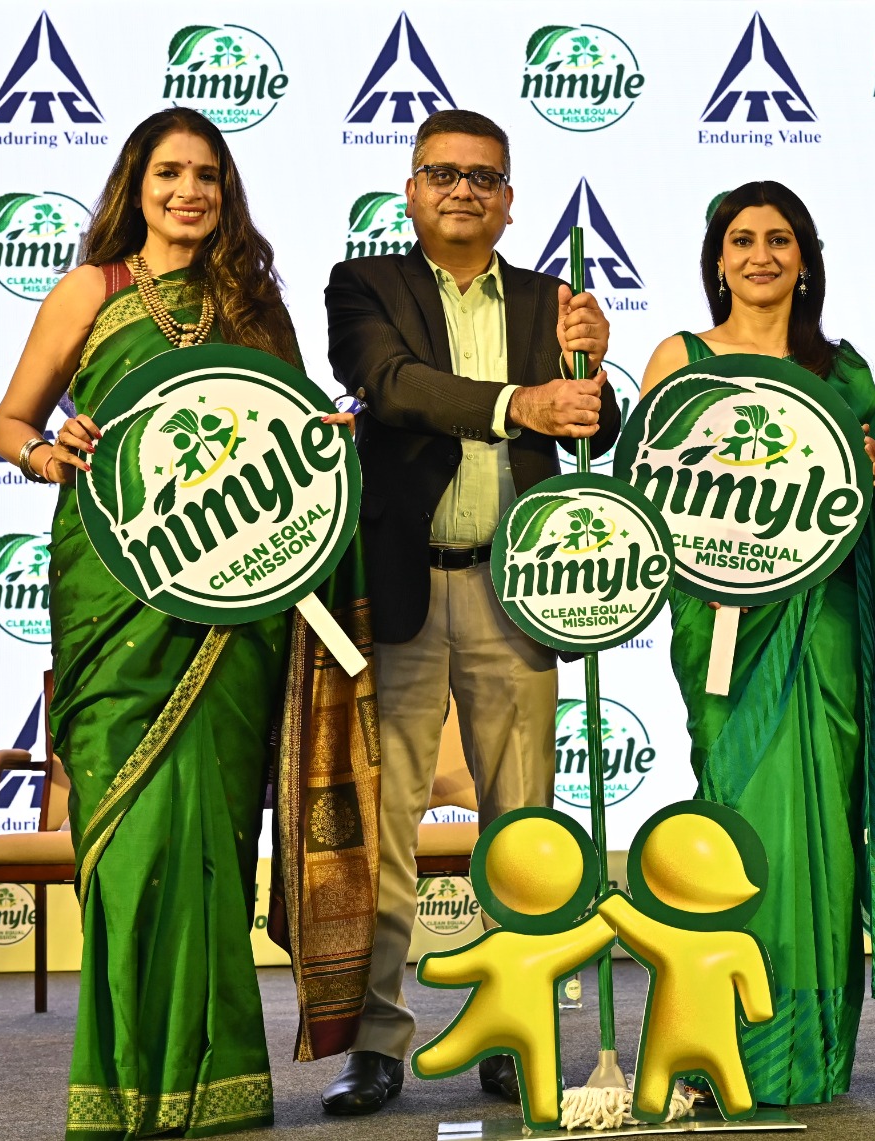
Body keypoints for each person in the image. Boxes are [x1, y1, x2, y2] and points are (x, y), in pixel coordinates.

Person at [0, 107, 358, 1140]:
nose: (188, 191)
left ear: (225, 191)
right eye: (168, 173)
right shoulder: (89, 292)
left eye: (206, 174)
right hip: (115, 593)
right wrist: (47, 449)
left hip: (231, 610)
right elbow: (10, 421)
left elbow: (293, 429)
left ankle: (215, 1087)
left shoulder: (253, 304)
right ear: (136, 186)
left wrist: (326, 439)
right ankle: (120, 1084)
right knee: (131, 848)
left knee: (213, 844)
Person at [320, 108, 620, 1115]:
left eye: (483, 177)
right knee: (388, 830)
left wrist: (593, 369)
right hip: (403, 587)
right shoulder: (364, 285)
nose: (463, 190)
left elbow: (589, 428)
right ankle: (377, 1043)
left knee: (524, 830)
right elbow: (392, 387)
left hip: (519, 590)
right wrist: (516, 403)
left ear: (508, 199)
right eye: (443, 173)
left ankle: (515, 1026)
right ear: (411, 192)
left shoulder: (550, 299)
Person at [639, 182, 875, 1105]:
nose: (761, 256)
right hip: (722, 621)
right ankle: (724, 1039)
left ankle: (809, 1052)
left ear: (806, 260)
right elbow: (650, 489)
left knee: (828, 831)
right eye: (742, 240)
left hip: (829, 618)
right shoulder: (681, 357)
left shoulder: (844, 371)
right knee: (736, 815)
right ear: (718, 260)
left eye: (780, 240)